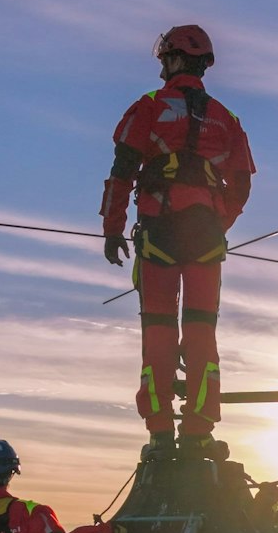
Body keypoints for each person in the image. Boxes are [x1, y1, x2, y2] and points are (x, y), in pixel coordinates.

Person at [99, 24, 256, 455]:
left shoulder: (147, 107)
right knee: (202, 331)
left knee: (159, 328)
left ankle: (159, 427)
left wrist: (113, 229)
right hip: (205, 237)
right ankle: (199, 428)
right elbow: (241, 185)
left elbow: (121, 172)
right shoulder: (227, 118)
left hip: (158, 232)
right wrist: (218, 224)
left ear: (174, 60)